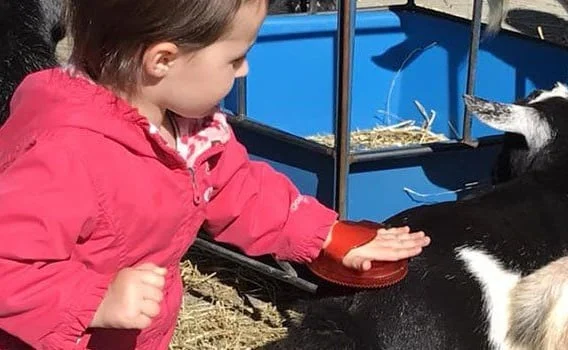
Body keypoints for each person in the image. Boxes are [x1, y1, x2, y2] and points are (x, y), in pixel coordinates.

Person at [0, 0, 431, 349]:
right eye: (235, 57)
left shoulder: (183, 129)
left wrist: (324, 234)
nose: (243, 70)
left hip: (132, 332)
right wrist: (94, 300)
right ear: (162, 60)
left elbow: (237, 190)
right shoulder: (66, 153)